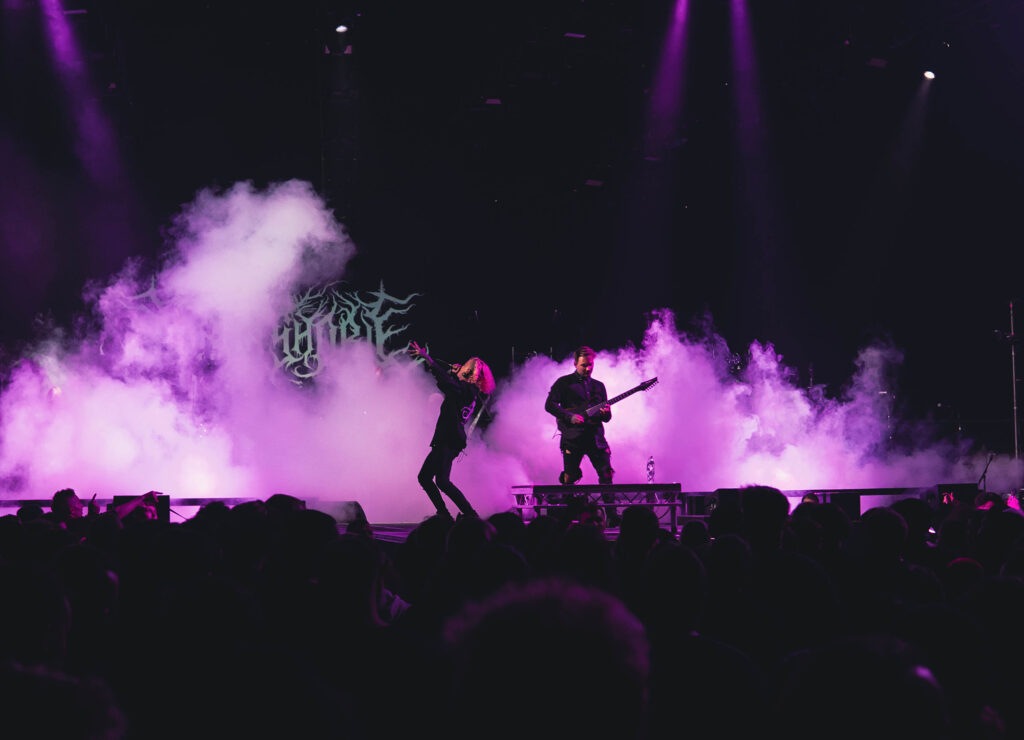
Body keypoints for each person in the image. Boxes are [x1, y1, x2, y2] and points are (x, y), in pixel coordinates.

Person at [408, 341, 496, 521]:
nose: (461, 366)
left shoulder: (466, 390)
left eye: (466, 366)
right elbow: (448, 384)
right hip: (448, 438)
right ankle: (447, 513)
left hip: (449, 439)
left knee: (440, 481)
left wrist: (428, 359)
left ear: (470, 374)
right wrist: (456, 376)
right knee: (427, 478)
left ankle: (469, 515)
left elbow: (445, 382)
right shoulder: (466, 389)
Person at [544, 345, 618, 524]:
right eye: (584, 365)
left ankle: (612, 517)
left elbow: (607, 418)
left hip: (596, 439)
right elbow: (550, 405)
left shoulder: (599, 386)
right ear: (575, 363)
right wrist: (569, 417)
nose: (588, 369)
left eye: (591, 365)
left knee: (606, 475)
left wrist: (605, 412)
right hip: (573, 439)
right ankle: (567, 519)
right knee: (569, 478)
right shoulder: (563, 383)